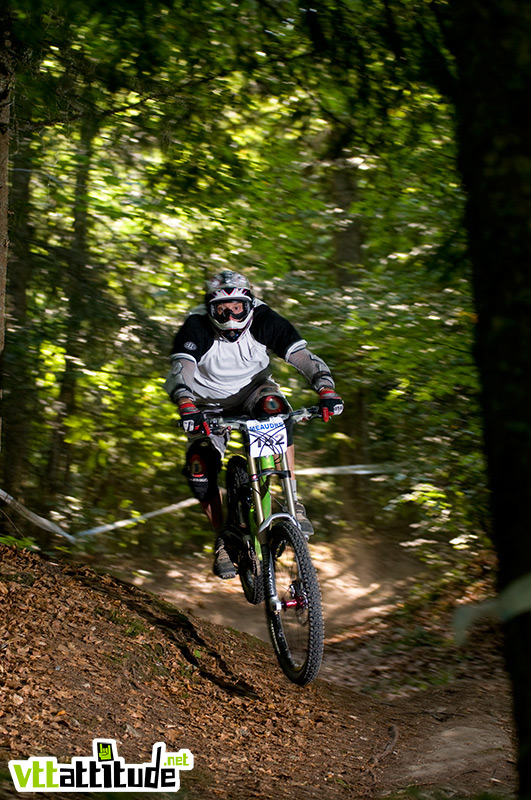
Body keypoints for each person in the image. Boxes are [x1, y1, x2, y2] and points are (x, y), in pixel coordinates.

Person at [165, 270, 344, 579]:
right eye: (222, 309)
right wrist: (186, 405)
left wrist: (325, 389)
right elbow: (182, 370)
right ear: (210, 308)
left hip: (253, 392)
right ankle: (223, 536)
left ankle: (292, 500)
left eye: (237, 307)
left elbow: (303, 358)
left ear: (249, 303)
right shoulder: (196, 326)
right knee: (199, 466)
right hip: (205, 403)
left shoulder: (264, 319)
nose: (231, 316)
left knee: (275, 409)